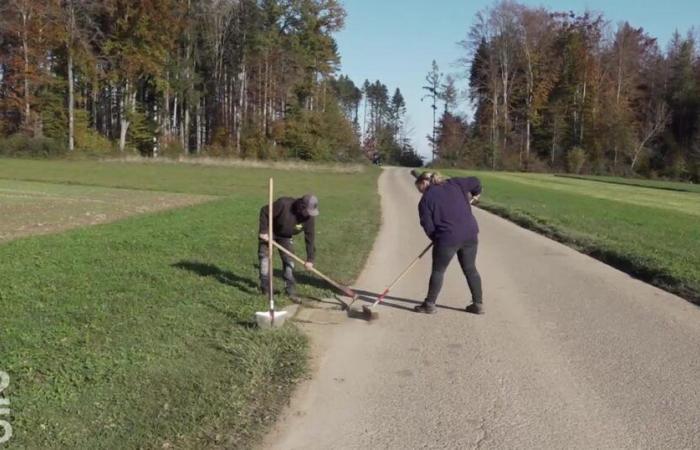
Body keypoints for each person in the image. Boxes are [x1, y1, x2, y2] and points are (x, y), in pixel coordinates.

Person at [413, 171, 484, 314]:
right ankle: (478, 304)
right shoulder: (455, 183)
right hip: (470, 234)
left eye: (419, 188)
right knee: (470, 269)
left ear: (424, 183)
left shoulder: (425, 200)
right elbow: (475, 181)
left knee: (438, 271)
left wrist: (437, 239)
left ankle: (429, 305)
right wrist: (476, 193)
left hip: (447, 238)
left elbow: (428, 227)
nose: (420, 192)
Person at [258, 194, 318, 300]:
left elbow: (310, 238)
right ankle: (266, 288)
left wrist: (310, 259)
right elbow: (264, 211)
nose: (308, 215)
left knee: (289, 262)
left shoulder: (309, 218)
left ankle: (290, 289)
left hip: (285, 236)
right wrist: (263, 231)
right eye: (307, 211)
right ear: (301, 206)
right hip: (270, 231)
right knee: (264, 259)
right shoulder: (283, 204)